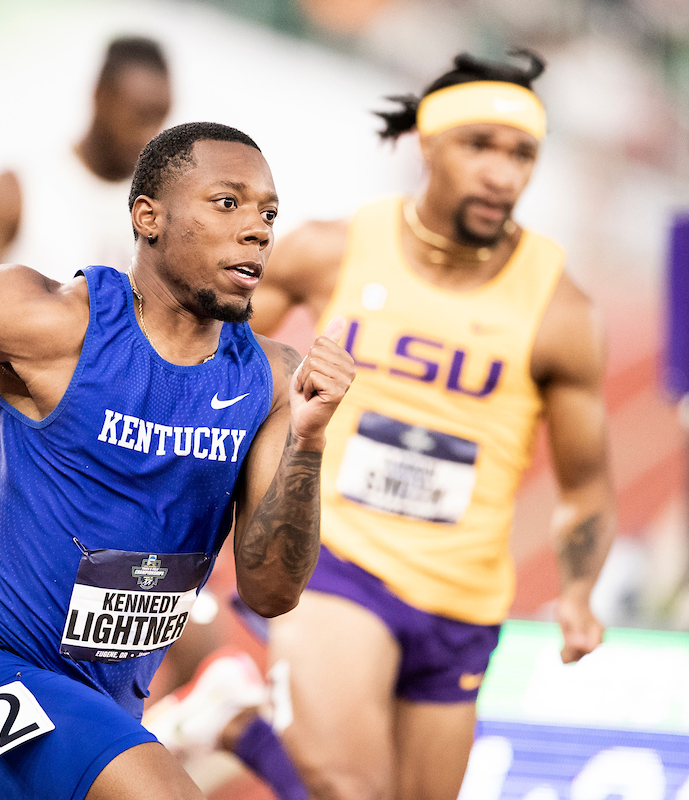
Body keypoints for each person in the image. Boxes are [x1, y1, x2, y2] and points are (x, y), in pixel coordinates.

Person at [0, 121, 356, 800]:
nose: (257, 228)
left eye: (268, 212)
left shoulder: (270, 386)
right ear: (149, 218)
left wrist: (309, 441)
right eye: (227, 203)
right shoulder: (60, 327)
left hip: (103, 708)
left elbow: (270, 593)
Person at [150, 51, 616, 800]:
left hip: (464, 597)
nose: (502, 173)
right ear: (428, 144)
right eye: (479, 146)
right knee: (349, 791)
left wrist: (578, 590)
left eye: (522, 153)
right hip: (338, 562)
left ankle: (238, 717)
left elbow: (586, 486)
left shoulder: (561, 311)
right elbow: (209, 357)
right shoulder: (334, 251)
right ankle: (242, 717)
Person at [0, 36, 174, 512]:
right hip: (16, 452)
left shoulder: (164, 210)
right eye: (137, 113)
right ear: (99, 97)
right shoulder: (19, 191)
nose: (148, 133)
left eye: (159, 115)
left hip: (116, 459)